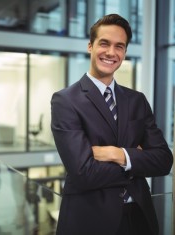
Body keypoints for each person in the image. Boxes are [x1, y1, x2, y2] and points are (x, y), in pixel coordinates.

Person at [51, 14, 173, 235]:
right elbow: (83, 173)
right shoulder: (65, 100)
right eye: (104, 43)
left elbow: (164, 160)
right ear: (90, 46)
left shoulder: (137, 100)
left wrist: (119, 155)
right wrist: (136, 161)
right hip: (89, 221)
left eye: (119, 46)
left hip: (139, 218)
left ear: (124, 52)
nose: (111, 52)